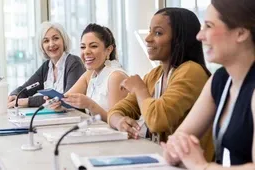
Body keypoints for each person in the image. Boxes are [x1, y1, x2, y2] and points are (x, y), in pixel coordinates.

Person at [107, 7, 214, 161]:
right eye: (150, 31)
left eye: (158, 33)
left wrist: (139, 88)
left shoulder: (191, 71)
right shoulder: (156, 74)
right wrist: (120, 121)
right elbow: (116, 110)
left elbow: (158, 120)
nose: (148, 38)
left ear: (179, 38)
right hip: (161, 160)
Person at [161, 0, 255, 169]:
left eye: (209, 26)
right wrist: (175, 148)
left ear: (240, 33)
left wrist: (202, 166)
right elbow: (179, 137)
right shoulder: (220, 80)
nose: (200, 36)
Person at [49, 23, 128, 122]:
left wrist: (90, 105)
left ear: (108, 50)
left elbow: (117, 121)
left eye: (93, 46)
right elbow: (65, 99)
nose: (86, 52)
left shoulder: (116, 76)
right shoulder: (91, 74)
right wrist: (57, 104)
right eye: (83, 47)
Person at [7, 21, 85, 108]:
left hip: (74, 117)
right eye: (46, 41)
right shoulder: (46, 67)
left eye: (55, 38)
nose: (51, 44)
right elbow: (24, 89)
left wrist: (27, 101)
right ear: (42, 46)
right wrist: (14, 96)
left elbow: (66, 100)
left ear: (63, 40)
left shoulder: (74, 63)